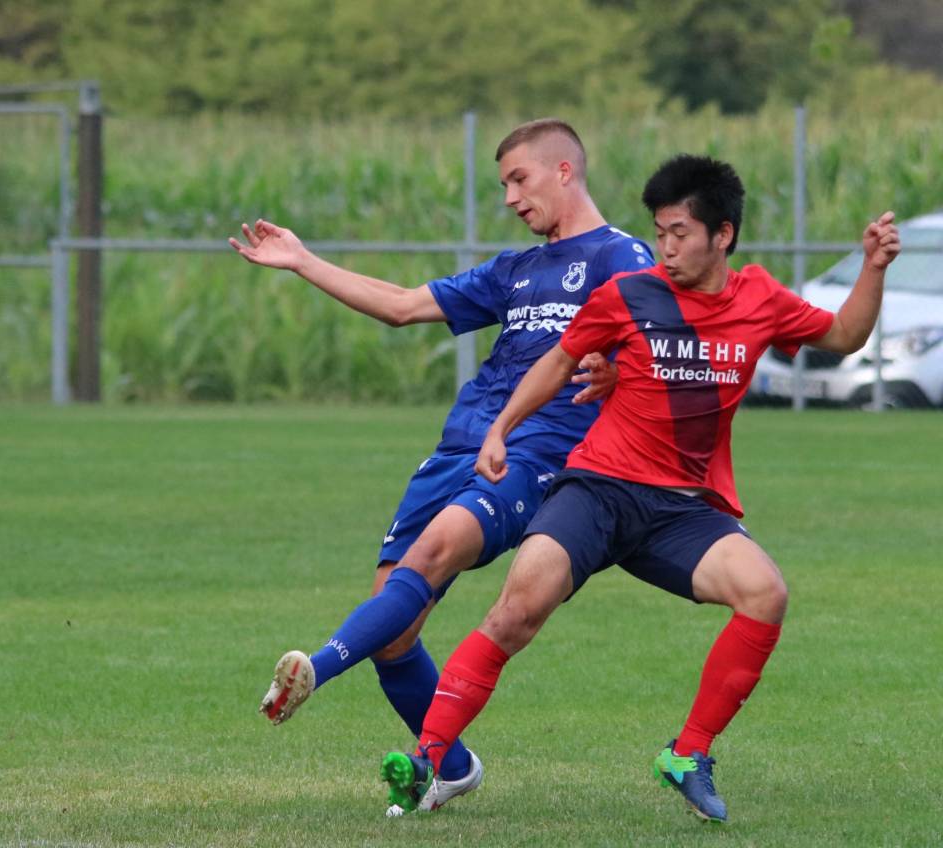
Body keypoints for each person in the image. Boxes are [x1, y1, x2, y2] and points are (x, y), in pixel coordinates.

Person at [379, 154, 901, 823]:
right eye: (659, 232)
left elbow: (845, 334)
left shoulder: (760, 300)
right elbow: (561, 358)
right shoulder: (628, 294)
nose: (666, 247)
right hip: (596, 490)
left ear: (723, 235)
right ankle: (427, 757)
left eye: (680, 232)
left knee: (765, 594)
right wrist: (501, 427)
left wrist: (873, 268)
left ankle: (688, 755)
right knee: (518, 609)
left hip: (681, 508)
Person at [229, 119, 654, 813]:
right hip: (458, 445)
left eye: (520, 179)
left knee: (433, 553)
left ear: (565, 171)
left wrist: (619, 370)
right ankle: (451, 768)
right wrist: (304, 261)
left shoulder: (620, 256)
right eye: (504, 185)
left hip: (537, 449)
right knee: (394, 631)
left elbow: (666, 340)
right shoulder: (514, 269)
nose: (511, 197)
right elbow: (401, 307)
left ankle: (316, 667)